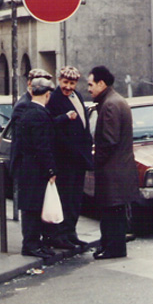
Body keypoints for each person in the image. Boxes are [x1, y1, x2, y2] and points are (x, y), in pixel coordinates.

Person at [87, 66, 138, 259]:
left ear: (102, 83)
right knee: (111, 211)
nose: (89, 89)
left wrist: (96, 162)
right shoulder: (113, 101)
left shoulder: (110, 105)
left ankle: (113, 249)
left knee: (112, 211)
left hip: (113, 170)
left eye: (91, 84)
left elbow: (109, 141)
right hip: (117, 169)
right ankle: (108, 246)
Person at [46, 66, 93, 250]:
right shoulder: (54, 99)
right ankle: (61, 235)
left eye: (72, 83)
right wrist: (65, 118)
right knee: (65, 198)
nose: (68, 87)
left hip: (78, 159)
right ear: (59, 80)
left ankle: (71, 233)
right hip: (64, 159)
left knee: (75, 198)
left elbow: (84, 125)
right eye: (65, 83)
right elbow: (50, 127)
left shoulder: (78, 97)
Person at [18, 77, 58, 260]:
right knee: (34, 208)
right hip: (36, 169)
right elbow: (43, 146)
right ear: (47, 95)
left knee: (32, 207)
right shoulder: (39, 114)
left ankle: (33, 243)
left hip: (28, 167)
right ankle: (31, 245)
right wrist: (51, 170)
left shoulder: (27, 111)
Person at [9, 68, 53, 182]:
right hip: (28, 167)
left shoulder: (40, 104)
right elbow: (29, 139)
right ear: (29, 83)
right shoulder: (25, 105)